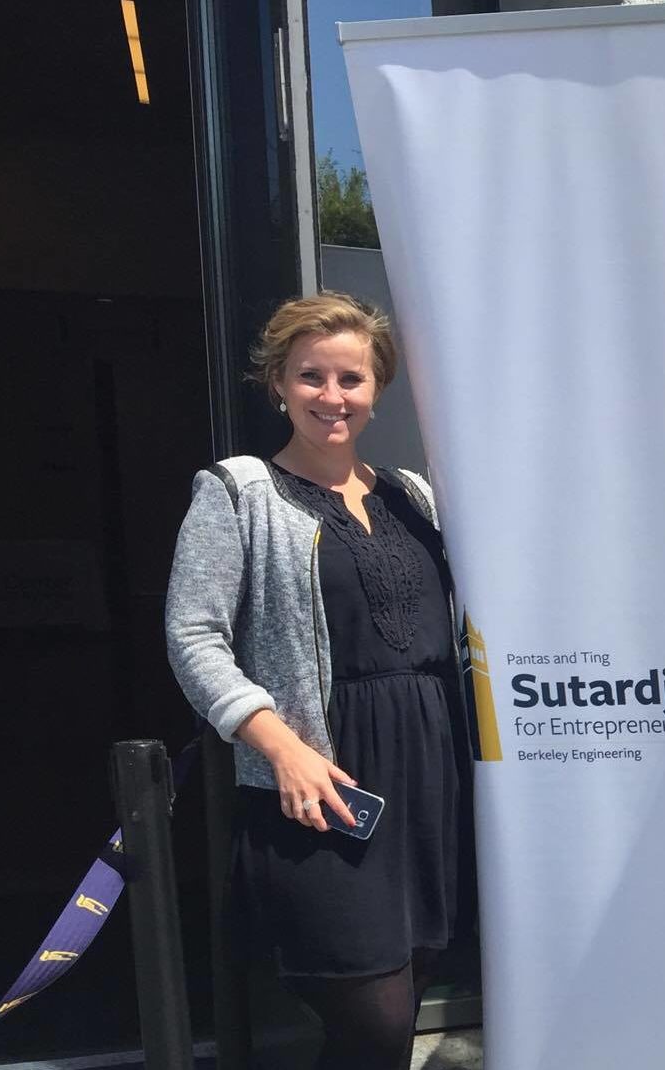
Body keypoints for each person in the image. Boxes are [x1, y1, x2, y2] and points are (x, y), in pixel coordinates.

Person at [165, 292, 472, 1070]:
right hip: (324, 780)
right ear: (276, 383)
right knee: (371, 1017)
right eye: (311, 377)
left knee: (405, 1006)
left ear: (377, 388)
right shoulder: (238, 493)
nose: (333, 397)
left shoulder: (414, 496)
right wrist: (280, 747)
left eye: (352, 379)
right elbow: (193, 634)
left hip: (428, 776)